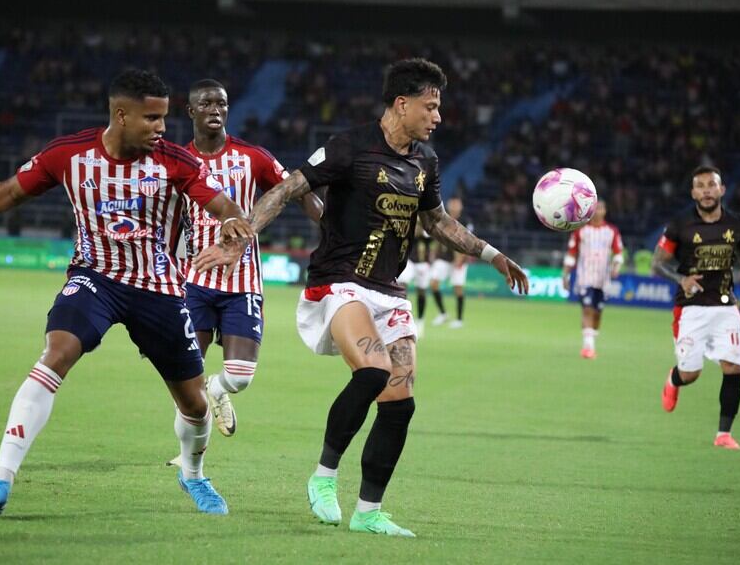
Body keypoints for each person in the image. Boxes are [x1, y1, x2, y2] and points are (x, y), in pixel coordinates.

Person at [196, 58, 529, 537]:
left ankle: (368, 511)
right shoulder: (349, 147)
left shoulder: (426, 162)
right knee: (373, 372)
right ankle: (323, 477)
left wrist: (491, 254)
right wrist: (241, 236)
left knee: (401, 403)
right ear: (401, 103)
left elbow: (436, 221)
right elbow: (288, 189)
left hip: (389, 292)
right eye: (430, 107)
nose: (437, 117)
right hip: (339, 283)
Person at [0, 69, 253, 516]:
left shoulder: (175, 162)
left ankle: (193, 475)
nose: (161, 128)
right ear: (121, 115)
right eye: (151, 118)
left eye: (163, 118)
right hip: (95, 278)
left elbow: (219, 202)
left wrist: (229, 221)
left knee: (195, 403)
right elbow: (12, 192)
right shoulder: (70, 155)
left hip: (157, 289)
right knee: (56, 353)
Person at [176, 79, 322, 438]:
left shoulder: (252, 156)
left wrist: (325, 218)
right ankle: (188, 462)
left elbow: (293, 189)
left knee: (240, 376)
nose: (215, 110)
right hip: (194, 279)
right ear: (191, 111)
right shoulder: (177, 159)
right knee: (184, 375)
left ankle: (220, 389)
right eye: (207, 103)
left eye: (222, 104)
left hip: (243, 282)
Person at [652, 165, 740, 450]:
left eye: (711, 185)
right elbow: (657, 263)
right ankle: (674, 380)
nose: (706, 190)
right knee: (691, 374)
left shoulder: (737, 223)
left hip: (726, 305)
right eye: (700, 186)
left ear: (721, 190)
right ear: (693, 193)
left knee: (733, 367)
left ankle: (723, 434)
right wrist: (682, 278)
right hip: (691, 308)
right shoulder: (679, 224)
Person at [561, 200, 624, 359]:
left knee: (598, 311)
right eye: (594, 209)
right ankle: (588, 347)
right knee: (587, 308)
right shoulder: (580, 230)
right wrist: (565, 274)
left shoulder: (612, 231)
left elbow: (618, 253)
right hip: (585, 277)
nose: (597, 212)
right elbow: (571, 253)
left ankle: (591, 340)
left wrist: (616, 267)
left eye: (600, 208)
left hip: (603, 278)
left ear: (605, 211)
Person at [429, 196, 473, 328]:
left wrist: (462, 258)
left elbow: (469, 241)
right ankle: (443, 314)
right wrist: (433, 253)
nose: (454, 206)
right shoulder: (443, 219)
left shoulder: (466, 221)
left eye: (457, 204)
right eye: (452, 203)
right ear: (448, 205)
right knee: (434, 283)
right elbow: (437, 237)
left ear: (461, 206)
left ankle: (459, 319)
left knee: (458, 287)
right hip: (443, 257)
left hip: (459, 258)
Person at [395, 225, 432, 337]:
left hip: (423, 263)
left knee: (421, 291)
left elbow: (433, 239)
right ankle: (401, 317)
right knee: (402, 286)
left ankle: (420, 321)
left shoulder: (426, 229)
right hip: (409, 261)